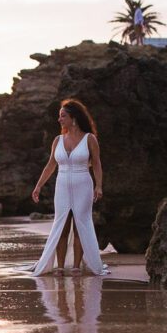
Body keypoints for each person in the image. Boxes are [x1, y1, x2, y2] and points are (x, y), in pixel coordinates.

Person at [30, 99, 109, 277]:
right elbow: (50, 165)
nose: (59, 120)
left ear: (73, 118)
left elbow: (96, 164)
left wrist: (99, 186)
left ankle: (75, 266)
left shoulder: (90, 139)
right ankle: (59, 266)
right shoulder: (57, 140)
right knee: (62, 225)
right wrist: (38, 186)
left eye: (63, 116)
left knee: (81, 224)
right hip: (62, 185)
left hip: (83, 184)